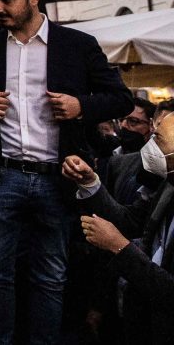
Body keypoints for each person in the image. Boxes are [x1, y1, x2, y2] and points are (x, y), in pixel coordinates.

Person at [0, 0, 133, 345]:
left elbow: (122, 99)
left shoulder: (77, 45)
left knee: (50, 277)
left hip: (58, 178)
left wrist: (81, 106)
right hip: (3, 176)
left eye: (6, 0)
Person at [62, 114, 174, 345]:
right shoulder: (168, 184)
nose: (150, 144)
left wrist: (118, 246)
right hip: (142, 318)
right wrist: (91, 184)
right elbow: (131, 220)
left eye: (158, 139)